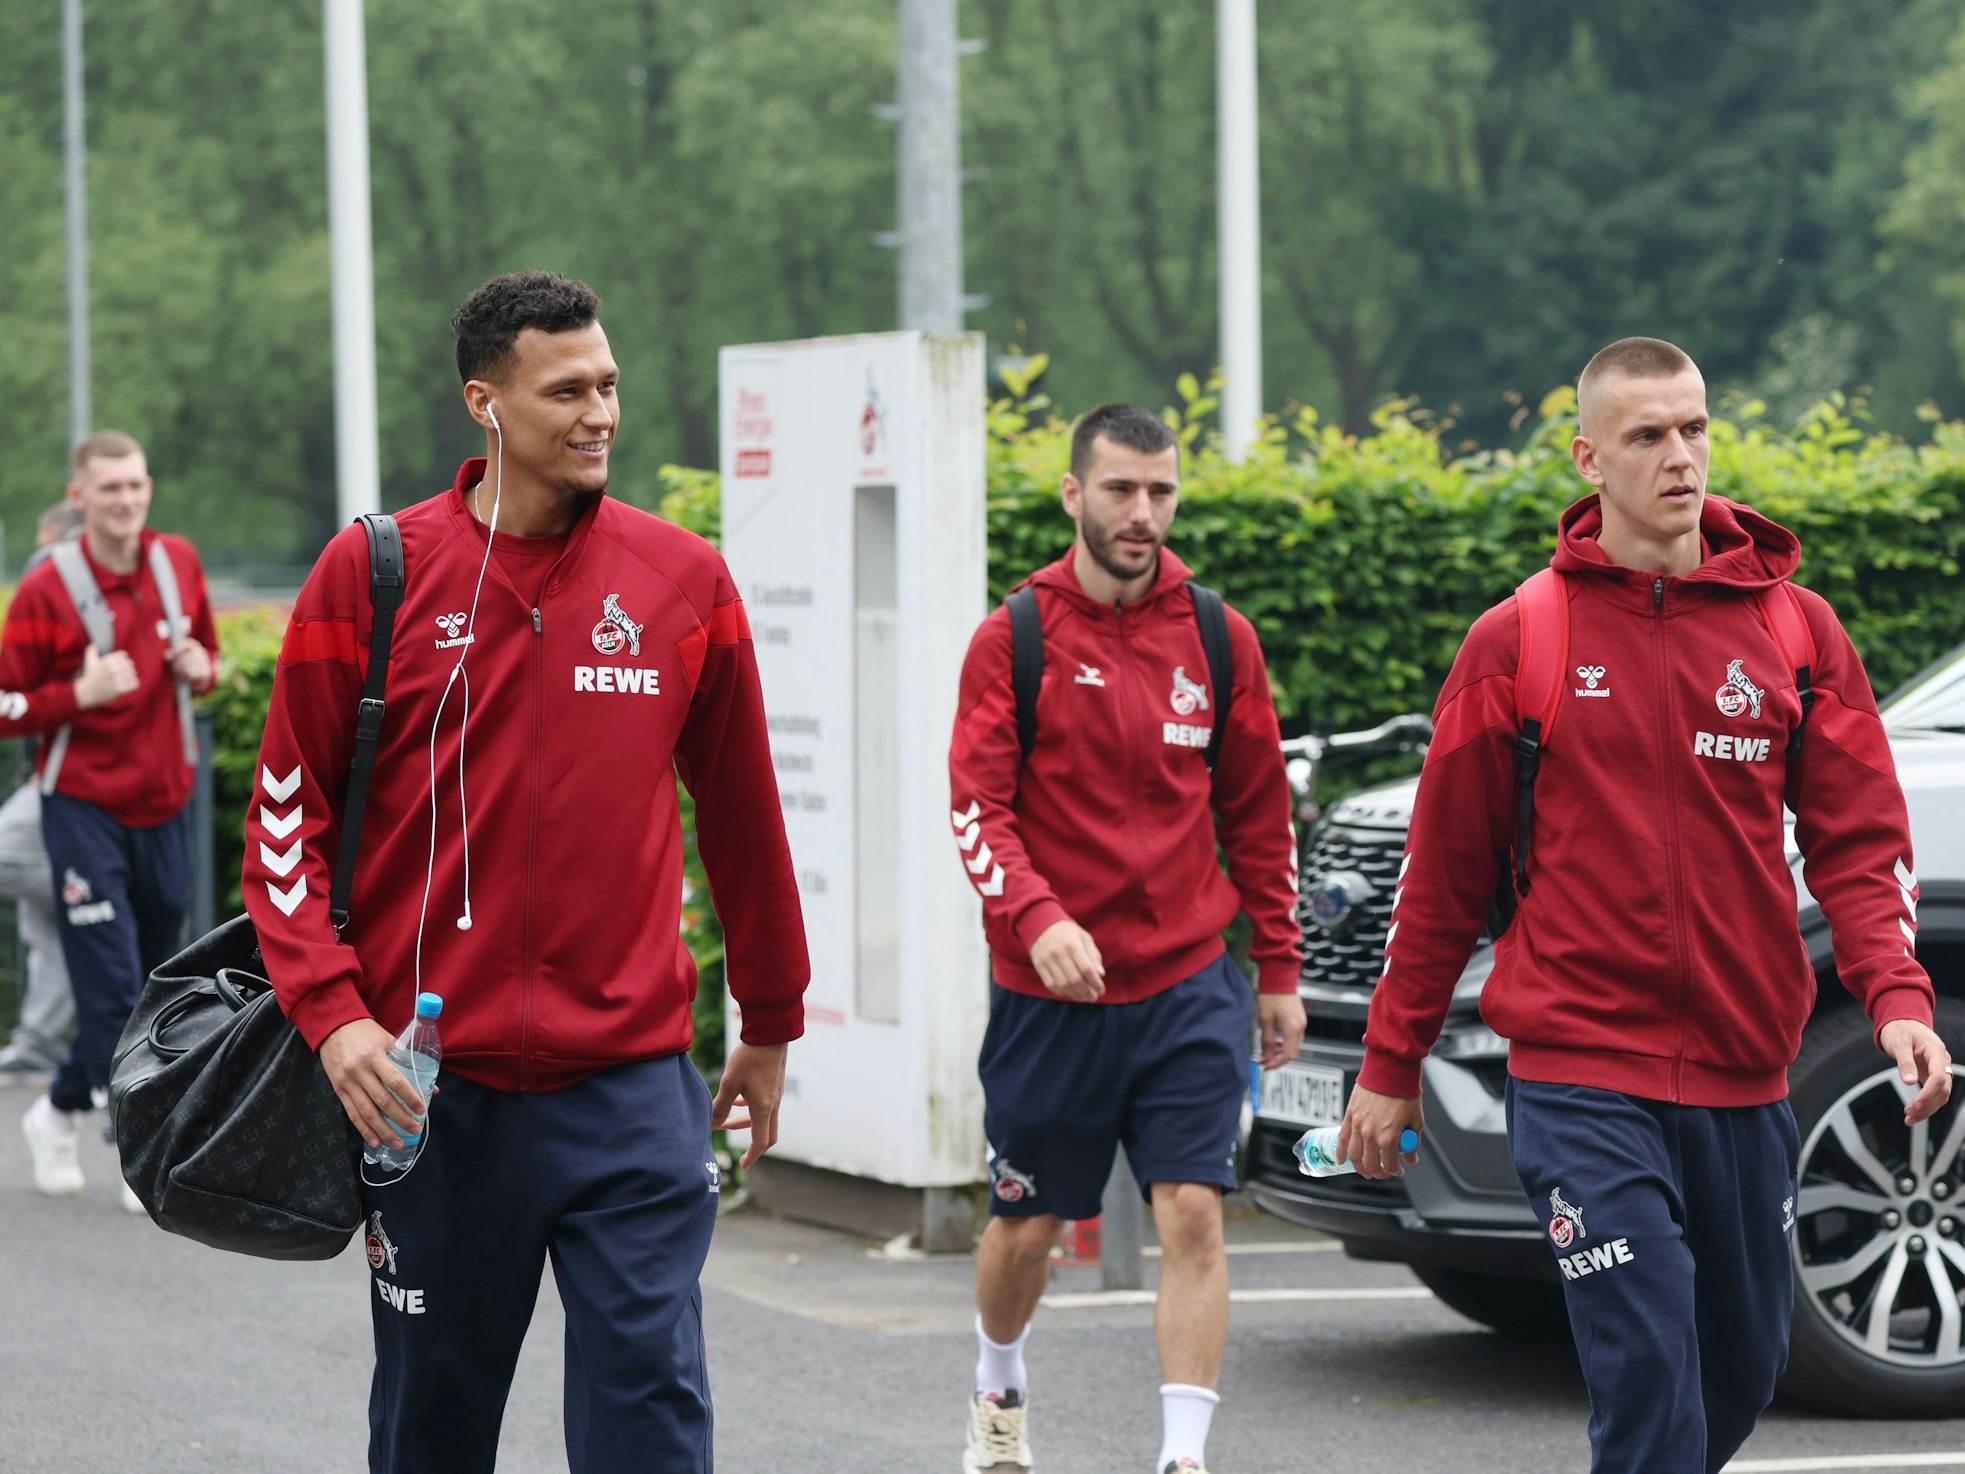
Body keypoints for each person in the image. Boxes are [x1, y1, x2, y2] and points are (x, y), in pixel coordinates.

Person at [1338, 337, 1953, 1473]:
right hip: (1581, 1074)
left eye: (1695, 428)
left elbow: (1862, 843)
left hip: (1745, 1071)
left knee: (1740, 1367)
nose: (1682, 456)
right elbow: (1443, 879)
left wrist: (1897, 997)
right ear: (1590, 457)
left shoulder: (1795, 632)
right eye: (1648, 435)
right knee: (1650, 1361)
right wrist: (1391, 1062)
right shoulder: (1521, 639)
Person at [243, 270, 808, 1474]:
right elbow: (285, 820)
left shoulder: (682, 583)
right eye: (567, 391)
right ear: (486, 405)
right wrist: (334, 1016)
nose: (600, 411)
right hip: (432, 1099)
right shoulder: (373, 575)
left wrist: (769, 1017)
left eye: (608, 384)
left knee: (650, 1416)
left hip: (632, 1090)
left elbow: (747, 822)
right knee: (432, 1431)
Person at [947, 404, 1306, 1474]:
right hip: (1049, 994)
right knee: (1029, 1228)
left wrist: (1277, 967)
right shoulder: (1012, 637)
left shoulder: (1215, 636)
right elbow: (976, 808)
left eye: (1160, 491)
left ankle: (1182, 1456)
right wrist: (1038, 915)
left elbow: (1257, 814)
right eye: (1120, 490)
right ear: (1075, 495)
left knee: (1193, 1206)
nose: (1141, 512)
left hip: (1190, 981)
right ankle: (997, 1382)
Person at [6, 434, 219, 1212]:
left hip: (162, 804)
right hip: (81, 809)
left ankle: (57, 1109)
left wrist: (203, 669)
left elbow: (208, 659)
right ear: (80, 496)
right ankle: (145, 1146)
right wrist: (77, 695)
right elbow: (6, 704)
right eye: (109, 488)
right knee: (109, 991)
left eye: (135, 486)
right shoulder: (46, 589)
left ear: (148, 488)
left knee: (157, 986)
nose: (125, 500)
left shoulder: (179, 564)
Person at [0, 501, 87, 1081]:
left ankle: (84, 887)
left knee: (60, 898)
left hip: (74, 784)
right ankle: (37, 1042)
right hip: (66, 780)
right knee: (49, 924)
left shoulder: (54, 567)